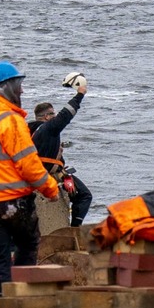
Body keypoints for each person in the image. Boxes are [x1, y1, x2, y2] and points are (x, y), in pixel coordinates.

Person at [0, 61, 60, 294]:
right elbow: (29, 165)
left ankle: (2, 306)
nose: (22, 91)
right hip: (15, 201)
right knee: (28, 247)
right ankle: (23, 301)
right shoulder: (10, 120)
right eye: (19, 85)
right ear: (5, 87)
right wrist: (51, 189)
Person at [30, 74, 91, 226]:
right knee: (84, 196)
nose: (56, 116)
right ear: (46, 117)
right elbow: (66, 114)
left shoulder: (30, 130)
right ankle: (74, 229)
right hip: (46, 174)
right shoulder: (48, 129)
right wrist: (80, 94)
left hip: (32, 172)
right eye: (53, 114)